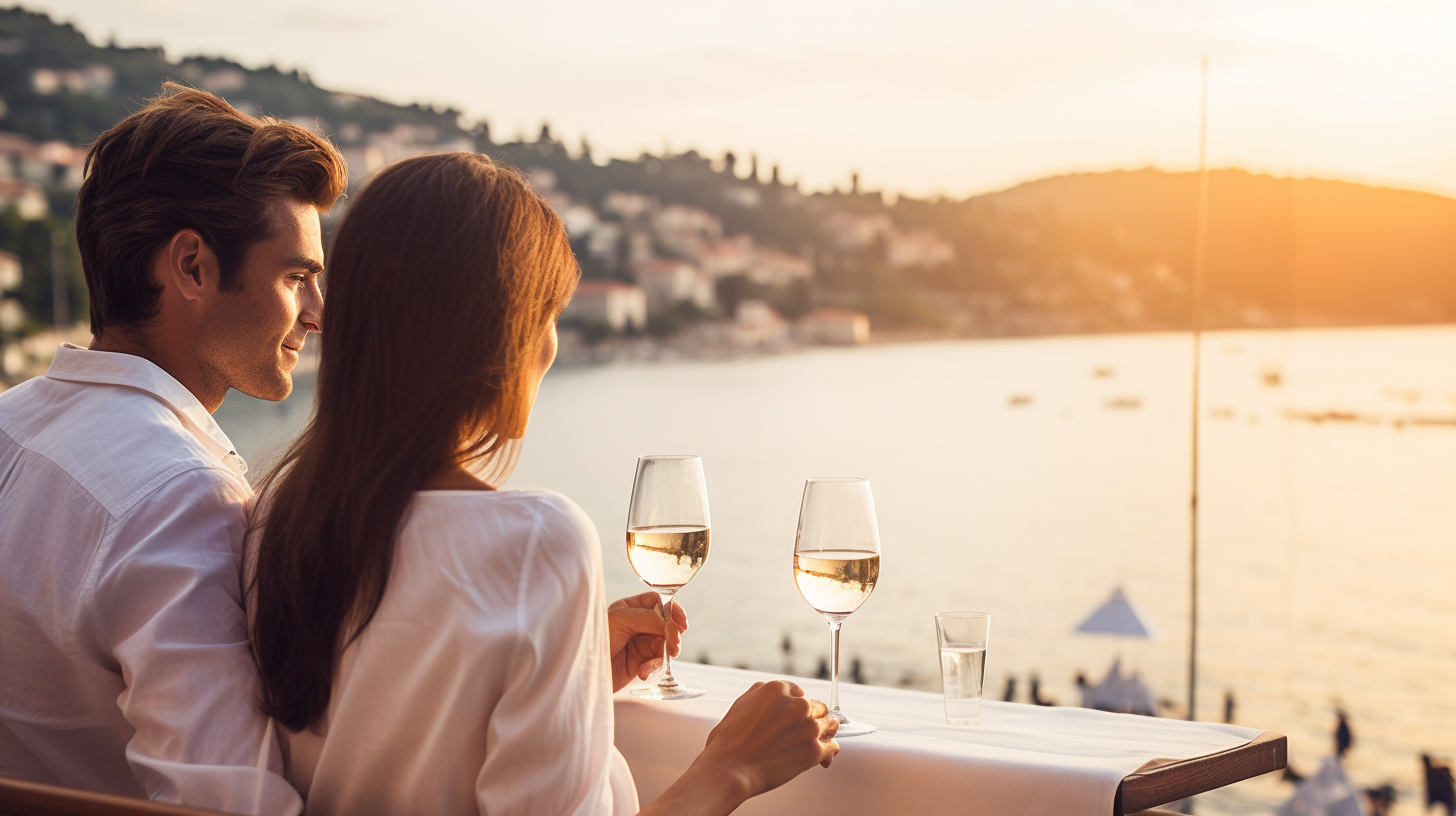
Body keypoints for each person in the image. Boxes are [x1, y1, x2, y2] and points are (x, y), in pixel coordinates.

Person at [246, 152, 839, 816]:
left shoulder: (279, 515)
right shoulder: (538, 543)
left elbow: (389, 711)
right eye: (547, 314)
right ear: (501, 332)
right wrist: (733, 766)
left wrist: (570, 664)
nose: (551, 348)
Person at [0, 84, 345, 814]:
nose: (317, 313)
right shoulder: (179, 498)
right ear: (191, 266)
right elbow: (233, 802)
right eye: (296, 277)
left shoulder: (10, 424)